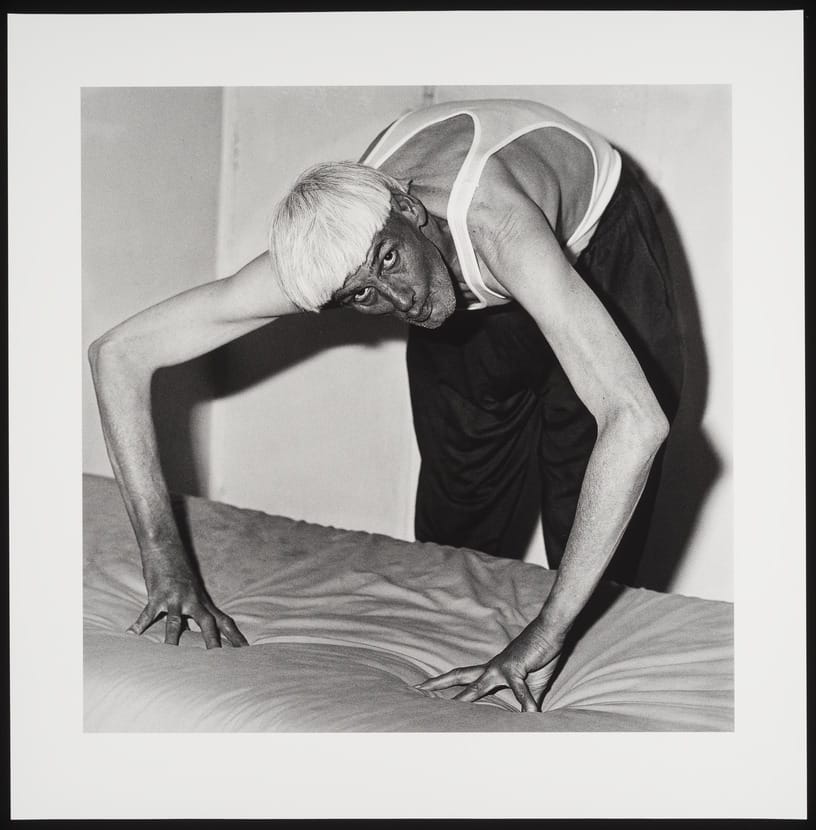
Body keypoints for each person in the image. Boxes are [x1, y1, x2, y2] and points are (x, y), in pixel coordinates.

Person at [89, 98, 684, 712]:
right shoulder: (346, 252)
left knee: (591, 493)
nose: (399, 302)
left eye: (389, 261)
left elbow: (636, 421)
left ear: (408, 208)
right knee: (460, 508)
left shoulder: (498, 224)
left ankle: (572, 662)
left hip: (600, 239)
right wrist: (164, 561)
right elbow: (118, 353)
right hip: (449, 257)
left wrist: (548, 630)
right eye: (361, 296)